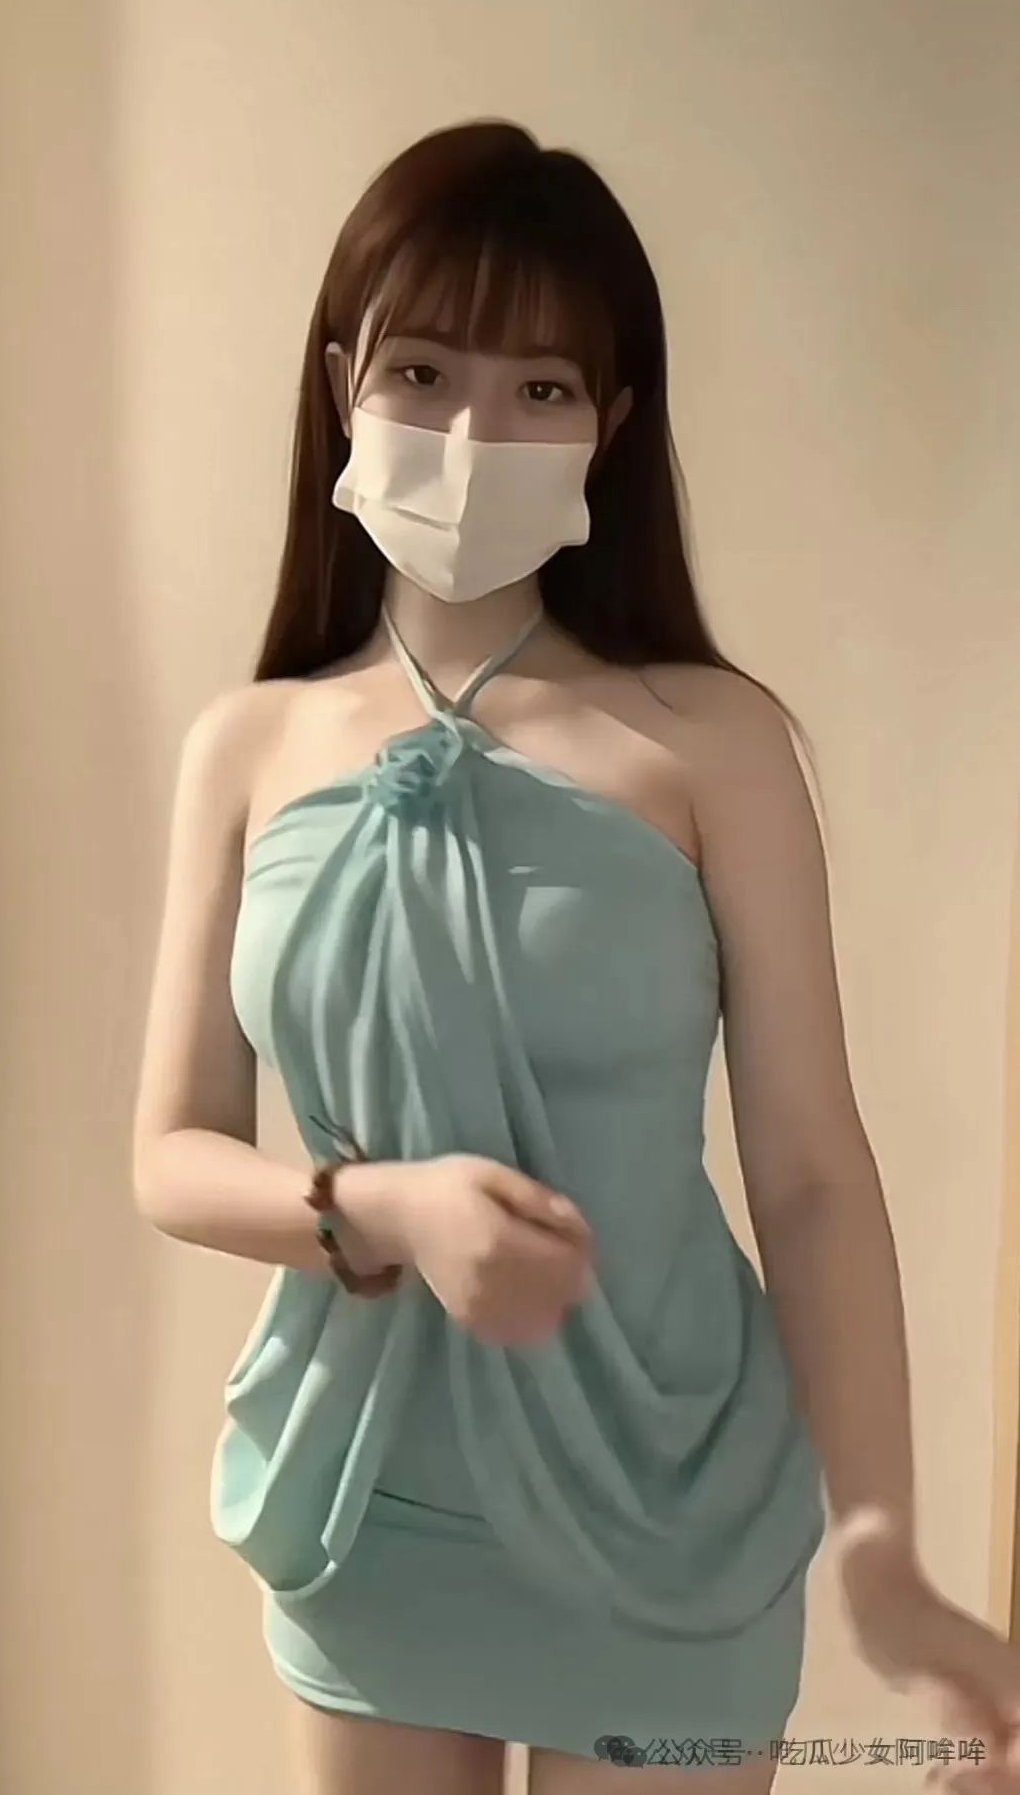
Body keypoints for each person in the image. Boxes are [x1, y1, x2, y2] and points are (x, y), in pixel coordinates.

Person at [132, 120, 1020, 1794]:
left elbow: (813, 1177)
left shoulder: (717, 743)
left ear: (611, 422)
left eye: (540, 386)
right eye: (424, 370)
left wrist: (888, 1556)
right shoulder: (246, 745)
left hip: (674, 1493)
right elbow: (169, 1151)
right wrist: (383, 1209)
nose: (476, 434)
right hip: (368, 1501)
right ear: (342, 384)